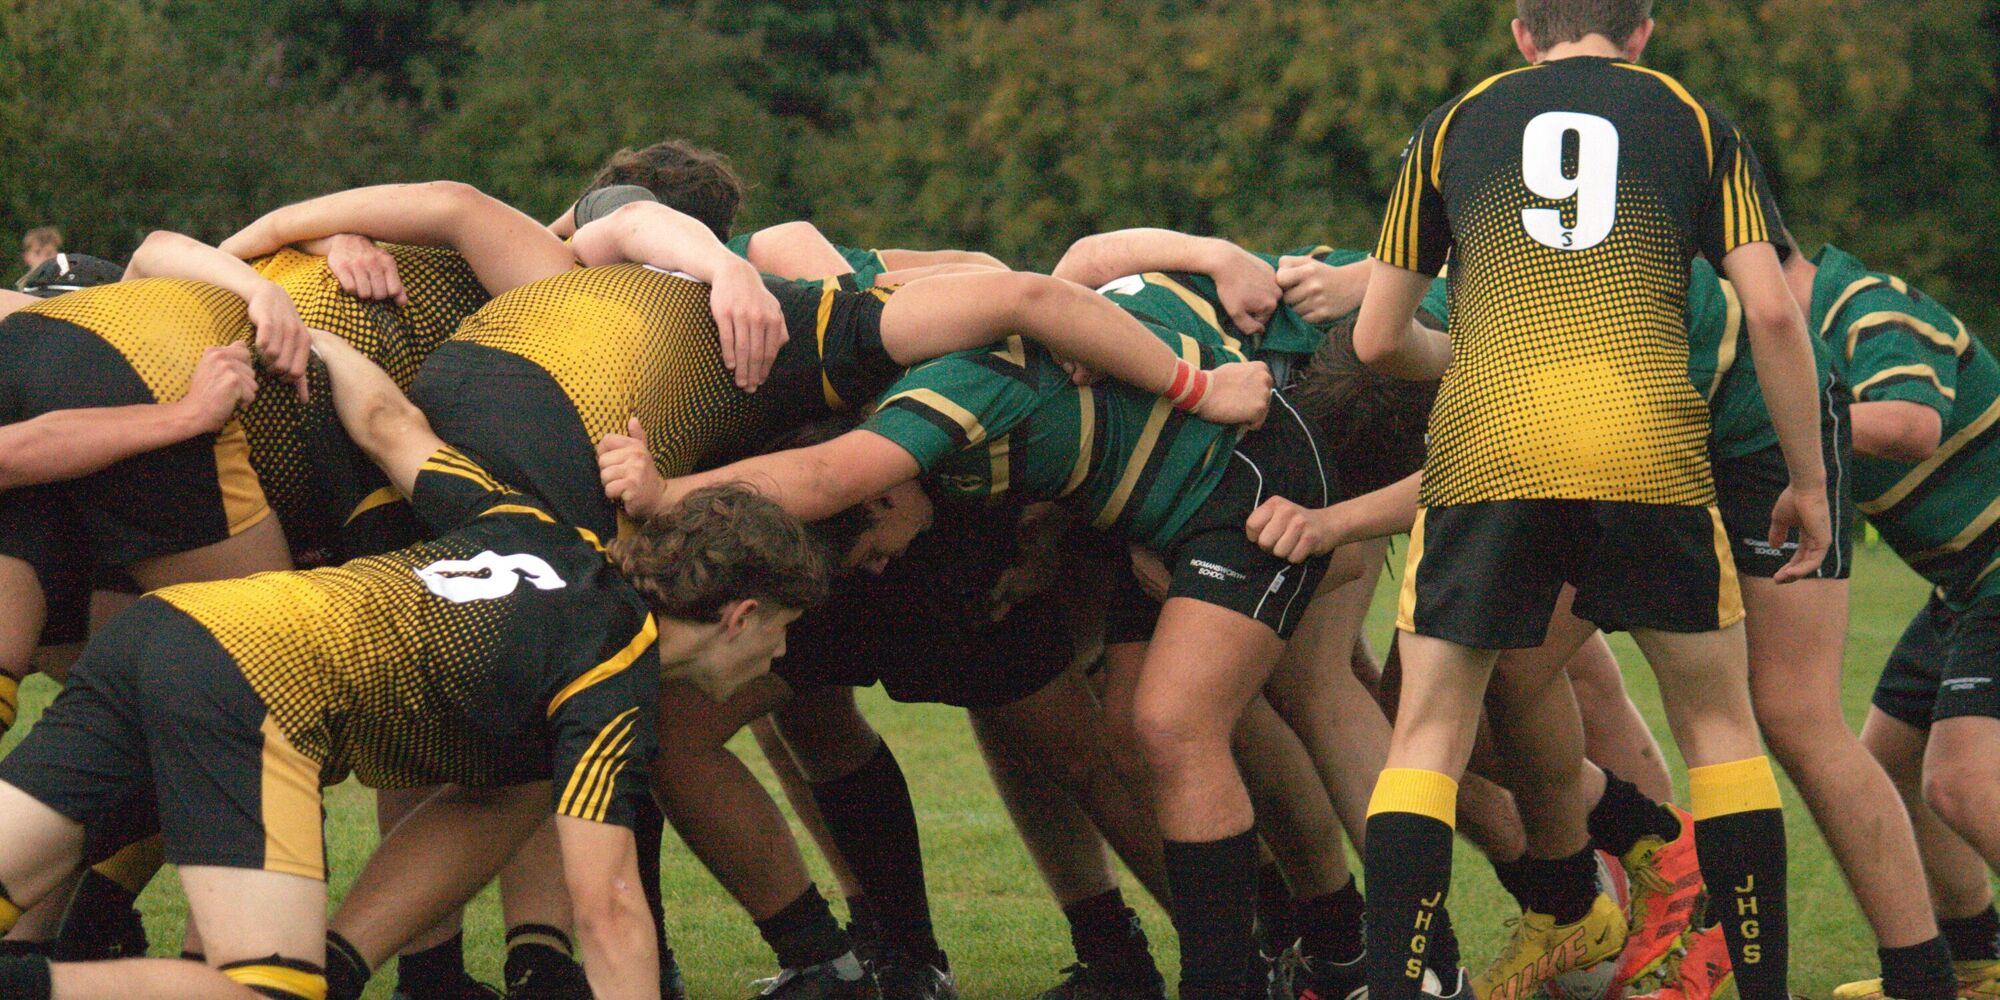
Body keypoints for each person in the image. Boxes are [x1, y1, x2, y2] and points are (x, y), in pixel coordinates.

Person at [597, 272, 1420, 1000]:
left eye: (874, 551)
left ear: (886, 499)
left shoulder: (931, 407)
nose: (880, 569)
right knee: (1146, 733)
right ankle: (1271, 959)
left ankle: (1371, 955)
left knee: (1183, 725)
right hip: (1166, 518)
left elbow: (828, 471)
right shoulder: (926, 401)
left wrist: (667, 491)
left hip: (1247, 482)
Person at [0, 326, 829, 1000]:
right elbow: (609, 906)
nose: (779, 654)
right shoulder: (614, 673)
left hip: (166, 629)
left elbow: (389, 426)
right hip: (250, 686)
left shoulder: (542, 531)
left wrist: (318, 336)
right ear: (739, 613)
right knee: (265, 991)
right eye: (780, 630)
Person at [1347, 1, 1828, 997]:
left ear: (1521, 33)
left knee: (1428, 730)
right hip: (1644, 446)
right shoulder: (1690, 119)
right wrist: (1808, 479)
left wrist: (1465, 351)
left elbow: (1375, 339)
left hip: (1488, 449)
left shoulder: (1451, 124)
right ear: (1641, 31)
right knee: (1716, 726)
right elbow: (1774, 313)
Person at [1764, 237, 2000, 1000]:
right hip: (1966, 585)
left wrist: (1795, 434)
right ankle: (1977, 961)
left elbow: (1909, 425)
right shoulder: (1797, 343)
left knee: (1963, 779)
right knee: (1888, 762)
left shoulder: (1864, 307)